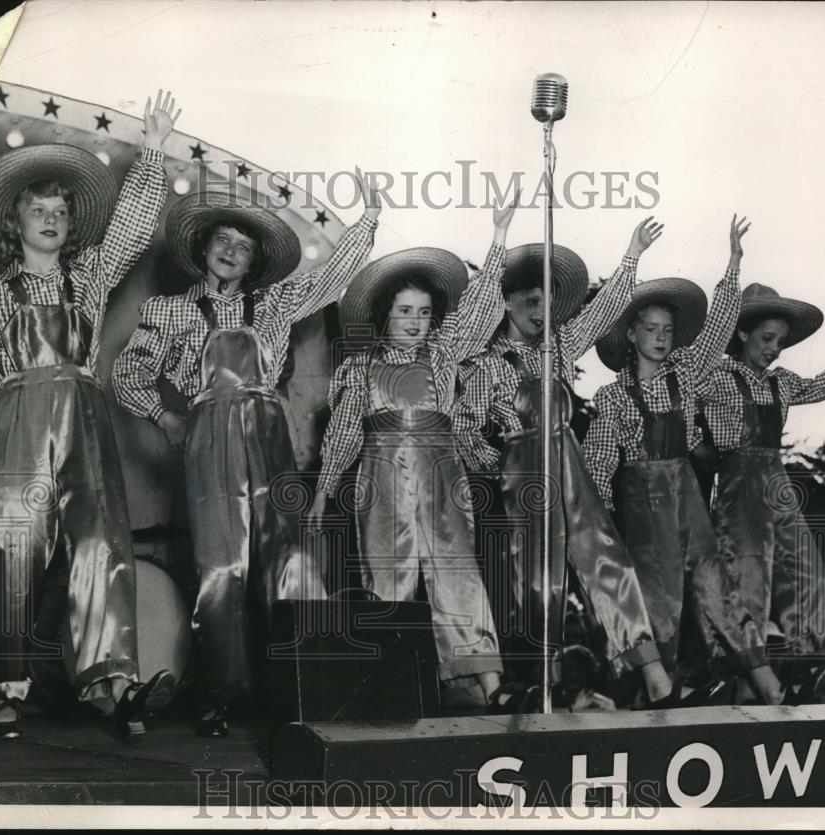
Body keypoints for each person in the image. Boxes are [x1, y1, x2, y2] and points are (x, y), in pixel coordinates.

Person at [112, 171, 380, 736]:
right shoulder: (172, 311)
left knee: (290, 556)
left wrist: (367, 223)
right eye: (223, 241)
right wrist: (167, 416)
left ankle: (306, 683)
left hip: (270, 432)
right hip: (209, 434)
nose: (232, 252)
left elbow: (332, 277)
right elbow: (129, 372)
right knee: (221, 565)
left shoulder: (276, 304)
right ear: (203, 249)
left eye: (244, 245)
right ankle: (220, 695)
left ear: (254, 260)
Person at [0, 91, 182, 741]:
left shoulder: (88, 278)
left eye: (60, 211)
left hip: (84, 414)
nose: (51, 219)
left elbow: (133, 231)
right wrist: (7, 396)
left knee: (102, 542)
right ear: (15, 220)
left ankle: (114, 685)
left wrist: (154, 150)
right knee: (12, 548)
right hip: (22, 414)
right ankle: (6, 685)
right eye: (38, 209)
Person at [454, 219, 679, 708]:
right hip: (524, 474)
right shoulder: (485, 363)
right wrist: (500, 464)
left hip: (569, 463)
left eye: (549, 302)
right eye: (531, 301)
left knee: (607, 557)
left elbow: (602, 314)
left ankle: (653, 670)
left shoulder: (558, 351)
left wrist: (632, 254)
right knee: (537, 580)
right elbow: (465, 425)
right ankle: (543, 683)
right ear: (506, 303)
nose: (541, 312)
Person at [307, 199, 519, 713]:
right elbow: (340, 436)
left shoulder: (444, 355)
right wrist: (321, 494)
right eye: (404, 311)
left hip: (441, 474)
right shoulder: (357, 370)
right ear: (383, 316)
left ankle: (490, 684)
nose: (415, 321)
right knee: (388, 576)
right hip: (380, 480)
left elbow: (482, 309)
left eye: (424, 313)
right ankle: (394, 688)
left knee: (458, 571)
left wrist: (498, 237)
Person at [584, 215, 791, 703]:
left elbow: (719, 326)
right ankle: (656, 691)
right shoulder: (612, 396)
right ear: (631, 336)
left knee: (716, 586)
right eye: (651, 329)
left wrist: (733, 264)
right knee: (661, 598)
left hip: (687, 494)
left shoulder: (688, 375)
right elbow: (596, 464)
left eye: (668, 330)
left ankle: (764, 683)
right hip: (641, 499)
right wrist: (603, 521)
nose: (661, 337)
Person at [699, 284, 825, 702]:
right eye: (766, 339)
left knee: (810, 575)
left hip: (777, 484)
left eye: (780, 341)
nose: (775, 349)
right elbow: (682, 404)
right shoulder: (717, 378)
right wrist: (697, 447)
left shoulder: (783, 383)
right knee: (748, 583)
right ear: (741, 334)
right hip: (739, 489)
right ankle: (759, 691)